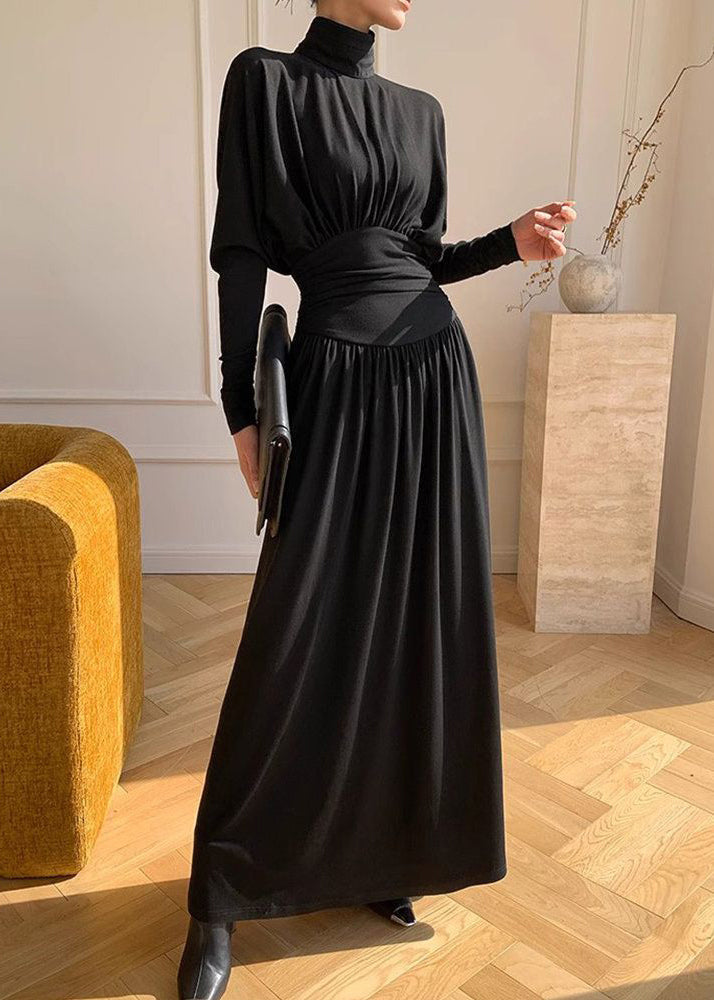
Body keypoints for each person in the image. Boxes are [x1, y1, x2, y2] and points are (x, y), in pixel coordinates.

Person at [178, 2, 576, 996]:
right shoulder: (265, 82)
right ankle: (219, 897)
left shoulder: (420, 110)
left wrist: (509, 243)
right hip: (335, 380)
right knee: (296, 629)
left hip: (435, 374)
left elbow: (421, 260)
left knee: (415, 621)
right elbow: (240, 251)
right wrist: (241, 408)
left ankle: (383, 853)